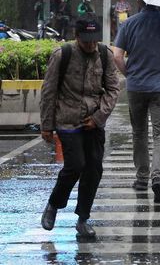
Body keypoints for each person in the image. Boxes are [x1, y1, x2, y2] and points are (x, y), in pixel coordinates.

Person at [39, 18, 120, 237]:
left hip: (94, 121)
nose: (91, 45)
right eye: (86, 41)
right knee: (75, 165)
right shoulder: (62, 55)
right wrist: (46, 125)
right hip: (67, 120)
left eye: (94, 41)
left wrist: (99, 116)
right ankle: (54, 204)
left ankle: (83, 219)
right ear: (77, 37)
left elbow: (113, 89)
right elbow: (49, 91)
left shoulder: (105, 55)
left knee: (93, 169)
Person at [113, 0, 160, 204]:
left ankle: (141, 178)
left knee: (139, 132)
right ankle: (158, 178)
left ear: (138, 1)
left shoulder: (129, 23)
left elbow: (117, 56)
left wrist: (130, 74)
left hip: (136, 87)